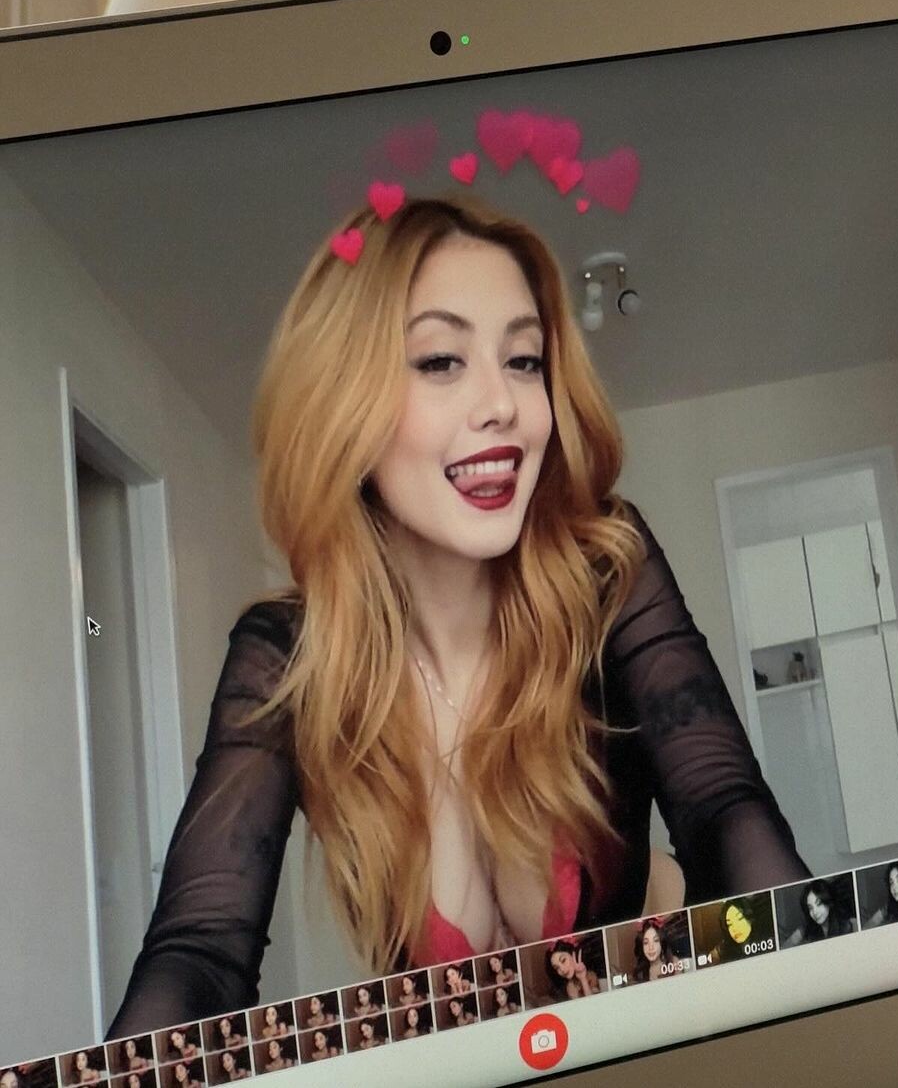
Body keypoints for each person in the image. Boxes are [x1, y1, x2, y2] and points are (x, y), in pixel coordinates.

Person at [105, 194, 807, 1035]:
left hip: (651, 1005)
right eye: (440, 360)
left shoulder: (602, 571)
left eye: (523, 360)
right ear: (345, 405)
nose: (501, 402)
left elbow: (724, 805)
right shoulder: (290, 657)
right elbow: (201, 951)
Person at [787, 878, 854, 944]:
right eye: (810, 908)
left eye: (819, 904)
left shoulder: (847, 924)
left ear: (828, 901)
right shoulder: (805, 929)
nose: (814, 912)